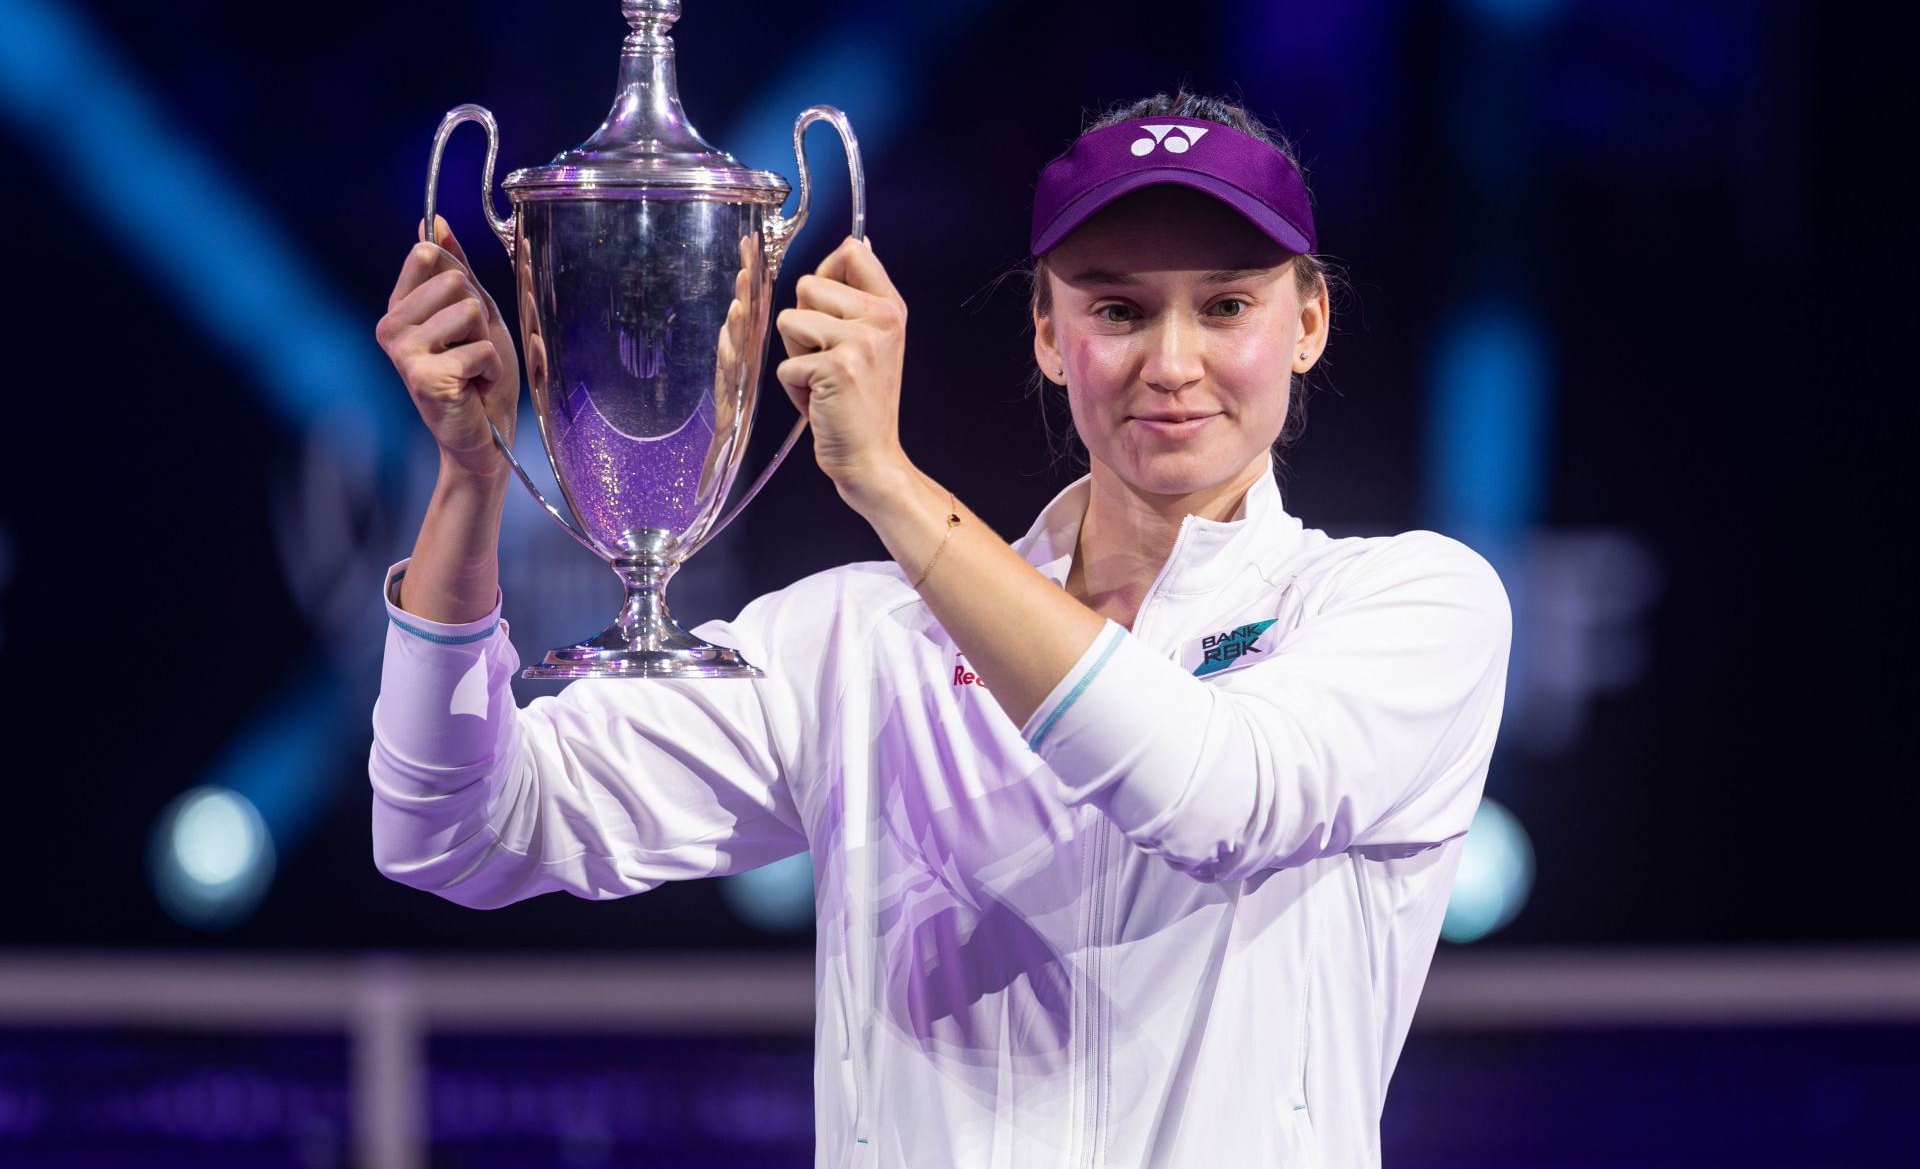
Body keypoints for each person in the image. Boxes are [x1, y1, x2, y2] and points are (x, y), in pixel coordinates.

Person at [370, 90, 1513, 1168]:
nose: (1173, 362)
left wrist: (886, 482)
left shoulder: (1406, 606)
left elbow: (1211, 795)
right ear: (1048, 333)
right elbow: (458, 827)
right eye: (1116, 308)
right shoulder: (863, 643)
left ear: (1308, 321)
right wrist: (471, 478)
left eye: (1226, 304)